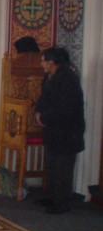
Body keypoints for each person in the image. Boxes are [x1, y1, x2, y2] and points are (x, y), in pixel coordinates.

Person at [34, 47, 85, 215]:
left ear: (52, 62)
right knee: (51, 164)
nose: (41, 64)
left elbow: (65, 107)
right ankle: (52, 196)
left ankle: (62, 201)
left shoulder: (68, 79)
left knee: (63, 166)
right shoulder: (49, 77)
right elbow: (43, 99)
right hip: (52, 129)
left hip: (67, 131)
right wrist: (38, 113)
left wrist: (45, 117)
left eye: (43, 61)